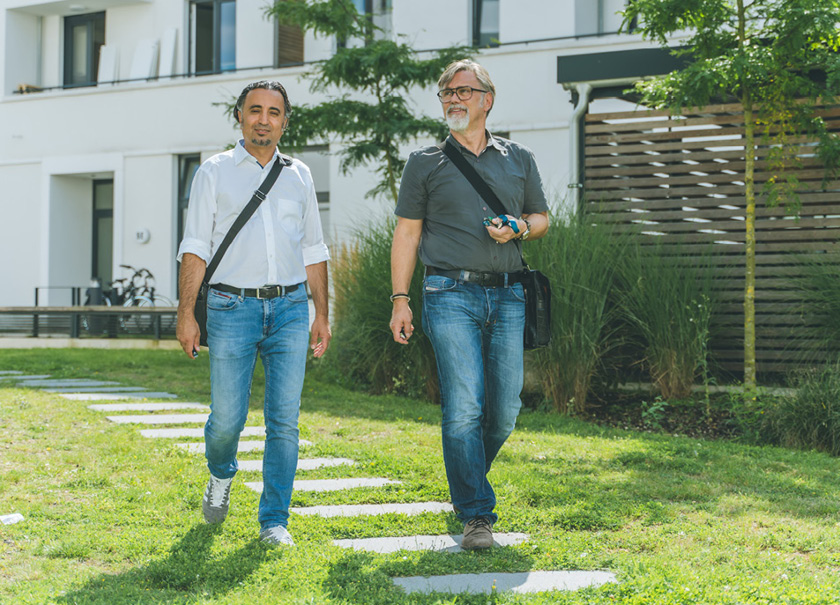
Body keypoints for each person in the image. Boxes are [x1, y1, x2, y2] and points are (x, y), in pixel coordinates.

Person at [389, 60, 549, 550]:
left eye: (462, 90)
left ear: (487, 99)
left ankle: (465, 484)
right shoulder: (424, 163)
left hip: (509, 294)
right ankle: (477, 515)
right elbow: (408, 233)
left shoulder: (518, 157)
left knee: (504, 410)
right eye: (445, 93)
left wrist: (520, 228)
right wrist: (400, 299)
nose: (452, 99)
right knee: (464, 406)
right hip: (448, 293)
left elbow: (541, 217)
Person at [176, 80, 331, 547]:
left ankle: (274, 520)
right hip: (229, 307)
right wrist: (187, 313)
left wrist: (321, 312)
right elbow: (195, 247)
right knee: (227, 418)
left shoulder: (300, 174)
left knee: (284, 420)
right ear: (240, 116)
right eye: (255, 110)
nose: (264, 118)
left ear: (285, 120)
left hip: (289, 307)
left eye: (274, 111)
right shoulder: (214, 172)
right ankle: (221, 474)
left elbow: (314, 247)